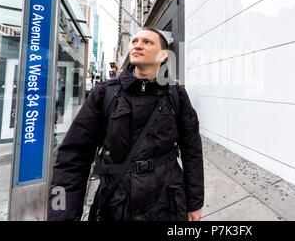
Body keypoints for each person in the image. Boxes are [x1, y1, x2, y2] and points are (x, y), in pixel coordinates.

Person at [47, 28, 204, 221]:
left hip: (169, 203)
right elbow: (72, 158)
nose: (137, 44)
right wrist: (61, 215)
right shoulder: (105, 93)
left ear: (164, 55)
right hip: (117, 205)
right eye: (135, 41)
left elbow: (192, 151)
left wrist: (195, 203)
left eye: (147, 42)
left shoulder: (176, 94)